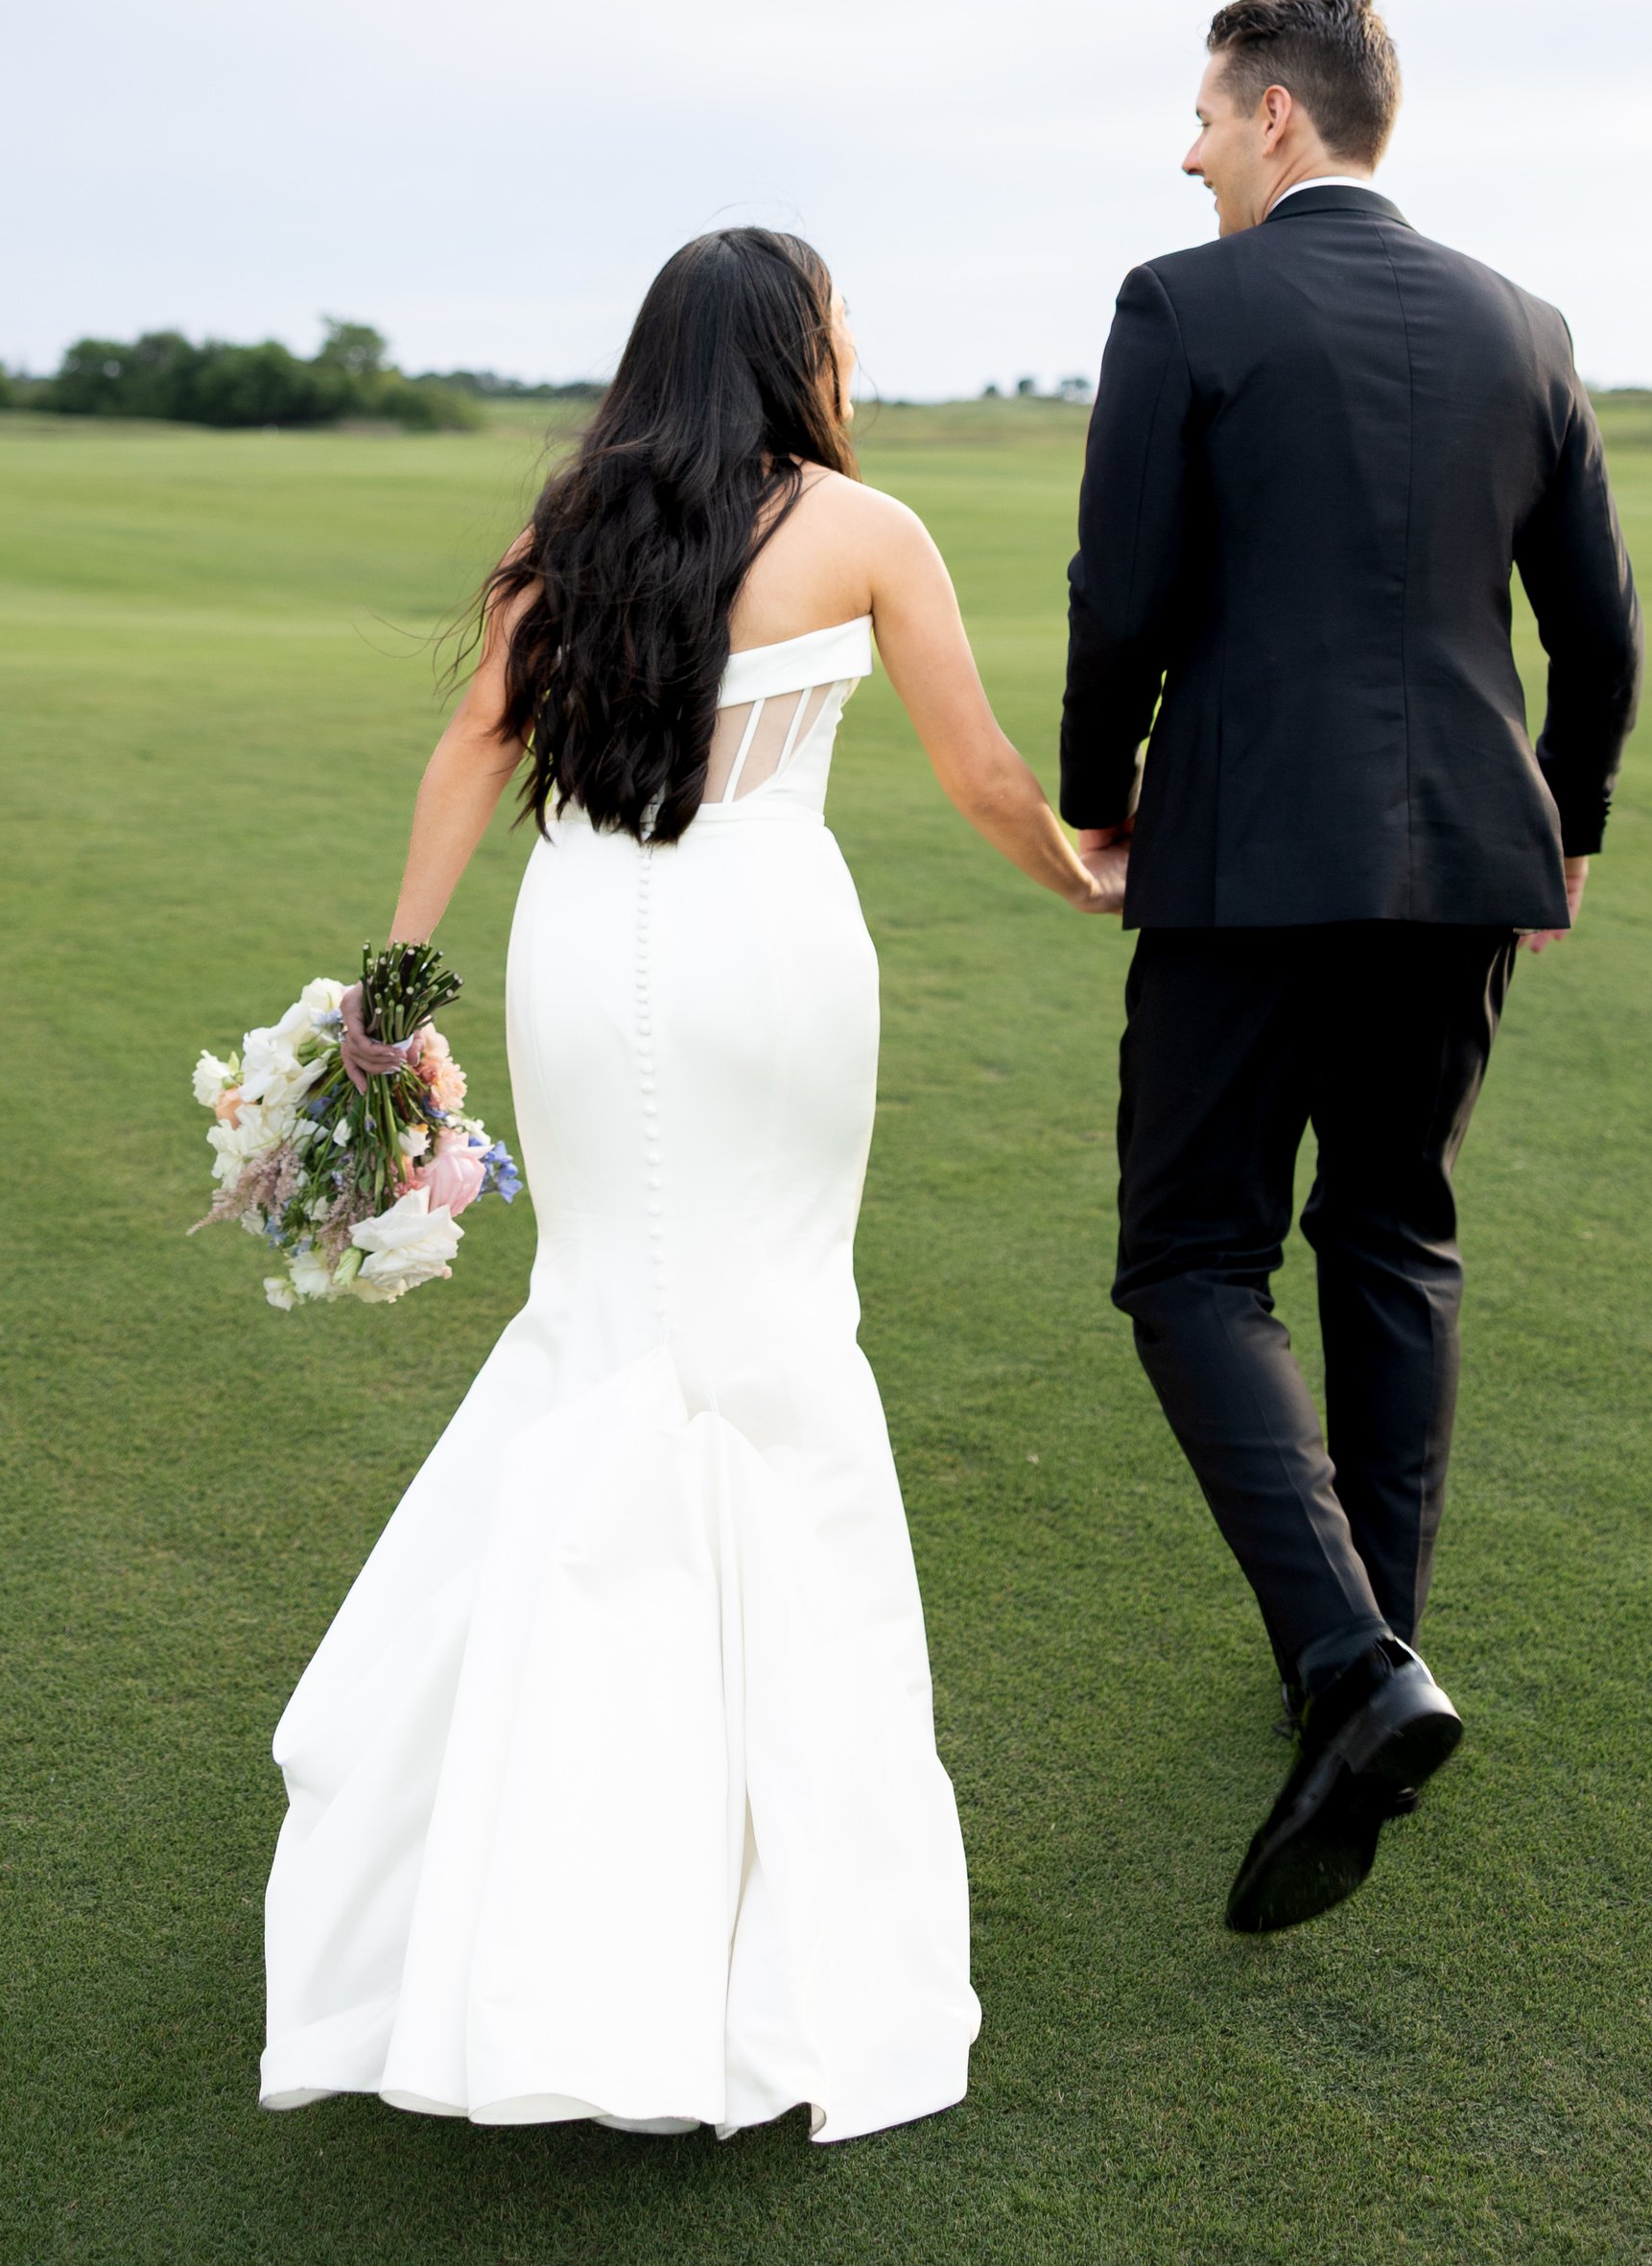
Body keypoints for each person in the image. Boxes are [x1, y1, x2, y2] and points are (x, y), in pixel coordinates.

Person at [260, 228, 1103, 2142]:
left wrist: (386, 1015)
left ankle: (519, 1875)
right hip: (764, 960)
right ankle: (739, 1912)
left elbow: (470, 750)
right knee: (774, 1353)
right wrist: (1083, 876)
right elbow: (979, 774)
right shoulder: (866, 528)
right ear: (798, 349)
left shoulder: (575, 526)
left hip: (582, 948)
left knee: (605, 1326)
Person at [1061, 0, 1642, 1932]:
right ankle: (1369, 1655)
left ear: (1280, 117)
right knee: (1389, 1237)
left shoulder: (1180, 304)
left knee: (1188, 1259)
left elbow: (1121, 590)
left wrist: (1095, 793)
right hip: (1466, 858)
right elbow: (1599, 632)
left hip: (1242, 849)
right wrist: (1558, 827)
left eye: (1205, 117)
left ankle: (1348, 1664)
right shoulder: (1523, 328)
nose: (1187, 152)